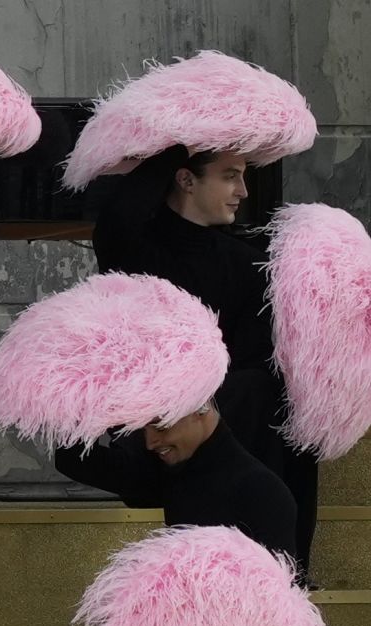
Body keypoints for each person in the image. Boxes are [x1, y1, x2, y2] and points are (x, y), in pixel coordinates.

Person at [92, 144, 317, 570]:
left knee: (278, 395)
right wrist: (182, 141)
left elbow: (256, 367)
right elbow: (117, 217)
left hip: (222, 433)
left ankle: (285, 573)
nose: (244, 191)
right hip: (152, 430)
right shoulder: (136, 248)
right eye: (230, 175)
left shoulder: (248, 264)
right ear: (185, 179)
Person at [55, 402, 297, 559]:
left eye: (160, 426)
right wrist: (94, 394)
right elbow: (74, 460)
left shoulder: (264, 493)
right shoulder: (167, 468)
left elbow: (274, 610)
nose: (150, 442)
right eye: (144, 428)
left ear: (200, 408)